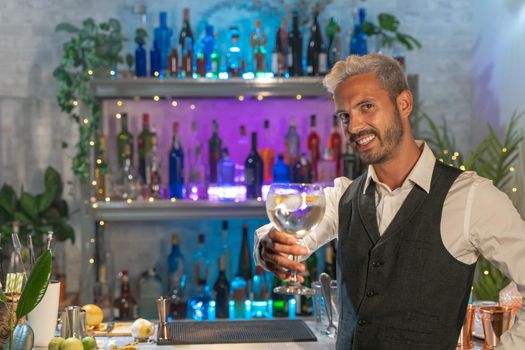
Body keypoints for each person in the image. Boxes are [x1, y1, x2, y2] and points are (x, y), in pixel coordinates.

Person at [254, 54, 525, 349]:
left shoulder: (470, 196)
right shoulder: (343, 197)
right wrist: (268, 246)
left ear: (404, 104)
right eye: (345, 116)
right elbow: (284, 237)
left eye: (366, 107)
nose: (354, 127)